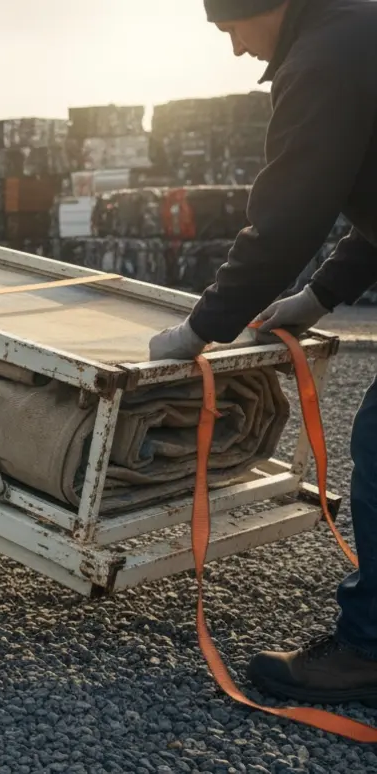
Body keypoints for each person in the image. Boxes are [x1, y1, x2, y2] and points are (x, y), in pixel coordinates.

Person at [149, 0, 377, 705]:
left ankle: (369, 654)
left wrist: (199, 329)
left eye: (231, 29)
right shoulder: (356, 33)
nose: (237, 50)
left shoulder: (326, 60)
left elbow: (286, 220)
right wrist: (317, 299)